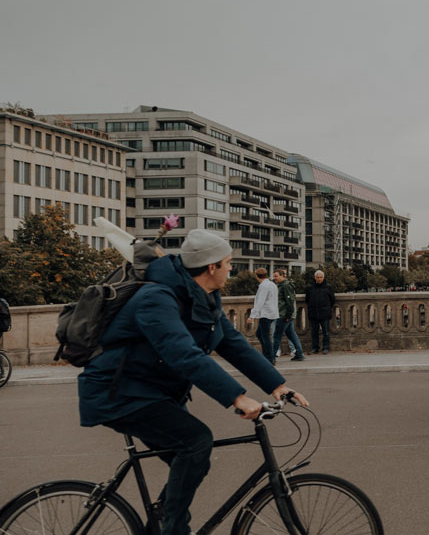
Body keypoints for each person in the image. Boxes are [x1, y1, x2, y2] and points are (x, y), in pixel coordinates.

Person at [78, 229, 309, 535]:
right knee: (196, 442)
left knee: (194, 460)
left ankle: (160, 525)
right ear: (211, 266)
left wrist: (277, 385)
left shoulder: (205, 295)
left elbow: (232, 343)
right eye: (228, 262)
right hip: (118, 392)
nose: (231, 268)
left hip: (152, 391)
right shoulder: (156, 297)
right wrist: (237, 398)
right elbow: (182, 354)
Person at [271, 269, 304, 362]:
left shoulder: (285, 285)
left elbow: (290, 301)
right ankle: (299, 353)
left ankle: (271, 356)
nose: (275, 278)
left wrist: (288, 315)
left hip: (284, 315)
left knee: (277, 336)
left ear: (282, 276)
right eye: (274, 276)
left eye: (276, 276)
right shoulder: (281, 285)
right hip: (285, 314)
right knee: (291, 334)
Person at [248, 268, 278, 364]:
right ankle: (267, 355)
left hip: (265, 314)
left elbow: (260, 302)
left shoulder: (263, 286)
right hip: (272, 312)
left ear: (257, 276)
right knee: (260, 334)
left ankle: (270, 357)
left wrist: (251, 316)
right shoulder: (272, 284)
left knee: (265, 336)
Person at [306, 270, 336, 354]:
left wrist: (326, 307)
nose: (319, 279)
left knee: (326, 332)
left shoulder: (328, 287)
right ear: (315, 277)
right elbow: (307, 299)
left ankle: (325, 347)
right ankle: (315, 348)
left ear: (323, 278)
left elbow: (332, 300)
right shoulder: (310, 288)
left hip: (324, 313)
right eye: (318, 277)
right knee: (314, 332)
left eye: (321, 277)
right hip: (313, 313)